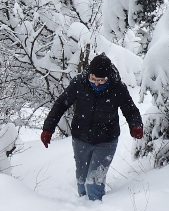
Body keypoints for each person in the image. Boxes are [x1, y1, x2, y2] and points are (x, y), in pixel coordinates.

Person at [40, 53, 143, 201]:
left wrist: (136, 126)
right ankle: (82, 207)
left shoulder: (117, 88)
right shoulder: (79, 83)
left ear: (108, 77)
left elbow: (131, 110)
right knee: (82, 180)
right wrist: (48, 128)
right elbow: (61, 104)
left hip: (106, 141)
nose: (96, 84)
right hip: (81, 138)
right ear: (89, 74)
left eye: (101, 80)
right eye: (93, 79)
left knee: (94, 183)